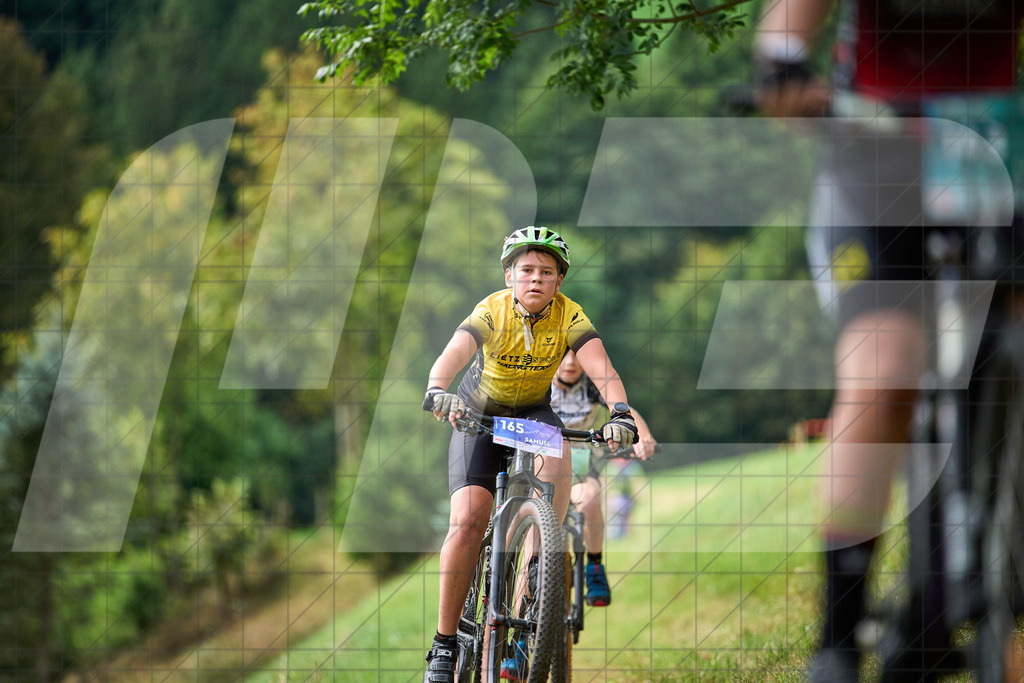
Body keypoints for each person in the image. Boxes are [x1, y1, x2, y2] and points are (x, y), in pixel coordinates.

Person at [753, 1, 1023, 680]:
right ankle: (839, 637)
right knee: (885, 368)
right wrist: (784, 62)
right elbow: (791, 17)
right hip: (873, 157)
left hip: (998, 149)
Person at [421, 226, 642, 683]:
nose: (536, 279)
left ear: (559, 281)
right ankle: (443, 648)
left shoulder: (570, 315)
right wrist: (437, 388)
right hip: (479, 414)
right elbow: (455, 351)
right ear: (509, 276)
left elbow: (604, 369)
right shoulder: (492, 310)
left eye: (546, 271)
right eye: (526, 270)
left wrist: (620, 412)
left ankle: (542, 563)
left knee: (558, 453)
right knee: (467, 522)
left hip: (532, 414)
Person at [550, 349, 657, 607]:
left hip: (581, 462)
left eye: (577, 356)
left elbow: (624, 410)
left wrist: (644, 436)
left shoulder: (590, 385)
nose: (571, 363)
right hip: (544, 462)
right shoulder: (539, 383)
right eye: (564, 356)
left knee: (590, 500)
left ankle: (594, 567)